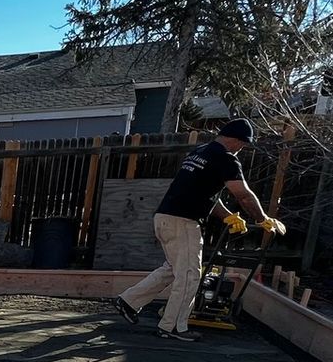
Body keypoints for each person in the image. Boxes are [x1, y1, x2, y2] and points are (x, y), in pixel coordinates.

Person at [111, 118, 284, 342]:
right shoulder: (225, 159)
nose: (241, 149)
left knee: (174, 269)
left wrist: (228, 217)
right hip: (183, 221)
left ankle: (128, 301)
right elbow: (243, 194)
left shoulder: (200, 153)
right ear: (234, 139)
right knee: (190, 275)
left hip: (165, 217)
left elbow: (205, 196)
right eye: (242, 145)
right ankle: (172, 327)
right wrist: (262, 219)